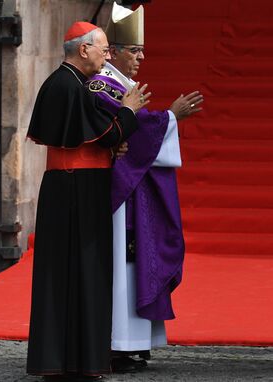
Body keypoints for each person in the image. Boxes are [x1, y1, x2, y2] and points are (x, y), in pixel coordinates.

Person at [26, 21, 150, 380]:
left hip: (74, 186)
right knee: (83, 272)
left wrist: (113, 140)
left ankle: (71, 360)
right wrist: (128, 109)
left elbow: (97, 137)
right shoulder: (68, 86)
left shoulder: (68, 84)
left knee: (75, 275)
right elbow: (107, 131)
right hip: (76, 189)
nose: (108, 54)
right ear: (84, 50)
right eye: (104, 48)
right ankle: (75, 361)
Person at [86, 3, 203, 372]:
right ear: (113, 52)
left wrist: (163, 118)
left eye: (142, 52)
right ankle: (116, 343)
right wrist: (170, 116)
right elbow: (123, 130)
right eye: (134, 51)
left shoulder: (125, 85)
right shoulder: (101, 84)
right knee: (122, 264)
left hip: (136, 190)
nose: (140, 58)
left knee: (135, 262)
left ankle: (133, 342)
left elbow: (135, 124)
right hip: (120, 192)